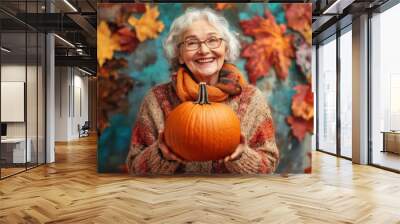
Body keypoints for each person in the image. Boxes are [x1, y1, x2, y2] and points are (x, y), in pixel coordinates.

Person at [126, 7, 279, 175]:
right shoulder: (156, 99)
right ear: (180, 55)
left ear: (226, 49)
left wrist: (241, 157)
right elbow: (134, 166)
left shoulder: (252, 99)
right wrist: (161, 155)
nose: (204, 50)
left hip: (233, 198)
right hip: (172, 198)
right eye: (192, 43)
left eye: (213, 40)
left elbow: (269, 165)